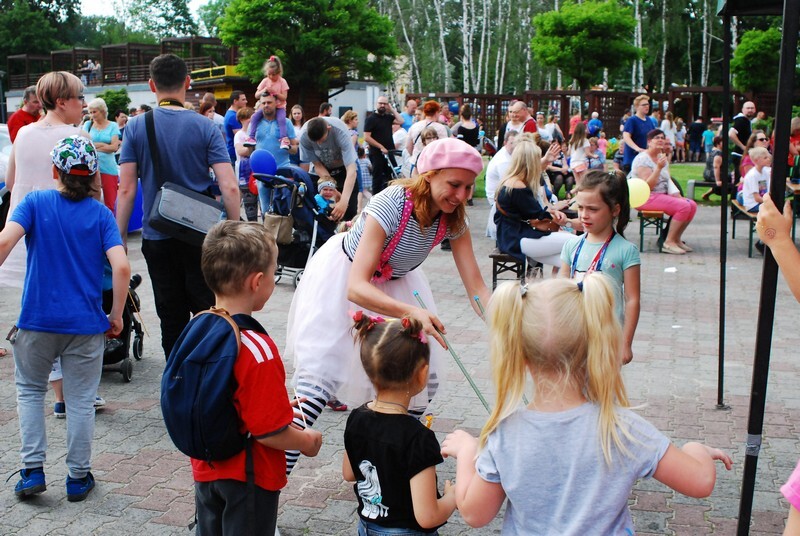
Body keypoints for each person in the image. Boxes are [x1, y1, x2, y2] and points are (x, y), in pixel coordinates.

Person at [440, 275, 733, 534]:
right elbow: (700, 482)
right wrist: (697, 450)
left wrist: (469, 452)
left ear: (520, 355)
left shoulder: (504, 436)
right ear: (595, 347)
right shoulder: (621, 429)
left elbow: (474, 514)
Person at [284, 138, 490, 475]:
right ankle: (267, 496)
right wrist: (412, 313)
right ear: (428, 175)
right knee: (314, 389)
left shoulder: (454, 219)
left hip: (398, 287)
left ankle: (383, 466)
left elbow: (478, 287)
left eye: (468, 187)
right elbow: (356, 286)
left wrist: (505, 323)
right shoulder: (392, 203)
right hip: (343, 283)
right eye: (454, 185)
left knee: (422, 383)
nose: (462, 195)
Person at [0, 135, 130, 502]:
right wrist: (115, 315)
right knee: (80, 400)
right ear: (92, 176)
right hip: (86, 325)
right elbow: (121, 267)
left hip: (36, 322)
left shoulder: (35, 203)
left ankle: (31, 471)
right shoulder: (101, 216)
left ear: (54, 170)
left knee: (29, 391)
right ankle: (77, 477)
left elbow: (4, 244)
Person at [192, 221, 322, 535]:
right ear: (258, 281)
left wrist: (274, 405)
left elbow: (224, 396)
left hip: (205, 469)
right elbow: (268, 433)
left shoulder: (198, 326)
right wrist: (307, 442)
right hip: (248, 477)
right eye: (275, 271)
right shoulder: (257, 347)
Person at [116, 53, 240, 359]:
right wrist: (233, 228)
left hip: (157, 234)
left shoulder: (135, 127)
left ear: (151, 85)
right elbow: (230, 186)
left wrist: (119, 237)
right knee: (206, 308)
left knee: (170, 316)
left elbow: (127, 188)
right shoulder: (206, 126)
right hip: (201, 237)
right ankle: (207, 375)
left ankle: (175, 380)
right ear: (187, 82)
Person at [343, 313, 456, 535]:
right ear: (423, 375)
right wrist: (453, 498)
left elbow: (349, 473)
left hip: (367, 527)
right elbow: (428, 516)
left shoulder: (357, 417)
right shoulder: (417, 437)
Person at [560, 170, 640, 364]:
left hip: (607, 338)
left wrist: (626, 343)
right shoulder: (572, 245)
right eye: (580, 208)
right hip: (574, 335)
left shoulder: (626, 250)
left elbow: (632, 300)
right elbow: (560, 291)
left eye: (593, 209)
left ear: (615, 210)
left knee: (603, 392)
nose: (584, 215)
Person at [494, 137, 576, 275]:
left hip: (512, 237)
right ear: (530, 161)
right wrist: (564, 220)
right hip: (518, 239)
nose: (539, 162)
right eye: (537, 159)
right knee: (575, 242)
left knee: (569, 260)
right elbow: (538, 214)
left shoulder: (511, 181)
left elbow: (535, 212)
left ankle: (559, 291)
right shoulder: (518, 186)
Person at [630, 129, 697, 255]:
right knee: (683, 207)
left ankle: (676, 239)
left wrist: (677, 195)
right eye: (657, 138)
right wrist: (658, 168)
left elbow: (668, 180)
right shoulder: (643, 159)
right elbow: (647, 186)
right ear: (649, 142)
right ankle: (668, 242)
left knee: (691, 205)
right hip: (644, 197)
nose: (660, 140)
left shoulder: (661, 158)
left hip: (660, 195)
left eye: (662, 137)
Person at [300, 117, 359, 221]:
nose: (319, 144)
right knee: (321, 210)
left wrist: (344, 201)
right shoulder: (304, 136)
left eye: (321, 140)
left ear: (329, 128)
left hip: (343, 168)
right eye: (315, 141)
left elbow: (351, 170)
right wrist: (333, 189)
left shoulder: (340, 132)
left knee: (349, 210)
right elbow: (317, 165)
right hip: (321, 171)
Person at [84, 97, 122, 212]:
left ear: (103, 111)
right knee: (90, 203)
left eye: (94, 111)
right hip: (91, 168)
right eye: (90, 112)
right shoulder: (87, 124)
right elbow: (85, 145)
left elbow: (114, 147)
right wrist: (104, 145)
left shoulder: (113, 126)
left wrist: (96, 145)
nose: (92, 115)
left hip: (108, 167)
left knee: (110, 203)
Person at [248, 56, 290, 151]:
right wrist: (264, 89)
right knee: (254, 117)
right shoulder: (265, 81)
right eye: (269, 74)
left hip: (279, 107)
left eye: (273, 74)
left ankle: (283, 138)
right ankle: (251, 137)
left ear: (279, 72)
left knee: (281, 120)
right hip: (264, 107)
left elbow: (284, 97)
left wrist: (275, 93)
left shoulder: (282, 82)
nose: (271, 77)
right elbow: (256, 95)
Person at [364, 96, 404, 194]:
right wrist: (380, 147)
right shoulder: (371, 119)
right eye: (380, 103)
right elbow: (367, 137)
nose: (382, 105)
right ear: (376, 104)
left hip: (389, 152)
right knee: (377, 178)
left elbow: (401, 121)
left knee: (392, 176)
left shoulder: (388, 117)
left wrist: (392, 109)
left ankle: (391, 195)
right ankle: (375, 199)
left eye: (385, 104)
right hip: (377, 153)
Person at [485, 131, 519, 239]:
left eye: (517, 143)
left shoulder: (509, 155)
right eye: (511, 143)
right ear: (505, 143)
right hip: (497, 201)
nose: (514, 146)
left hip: (503, 196)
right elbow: (511, 185)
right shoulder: (503, 161)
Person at [406, 101, 449, 175]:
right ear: (436, 112)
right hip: (433, 165)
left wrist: (414, 155)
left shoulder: (414, 126)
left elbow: (408, 146)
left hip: (416, 162)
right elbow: (444, 147)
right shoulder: (441, 128)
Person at [233, 107, 259, 222]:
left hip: (256, 171)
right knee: (249, 203)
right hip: (245, 174)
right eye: (248, 118)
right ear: (242, 120)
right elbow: (241, 151)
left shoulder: (256, 133)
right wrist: (253, 147)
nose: (251, 120)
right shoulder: (239, 135)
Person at [622, 95, 655, 174]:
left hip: (646, 159)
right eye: (644, 105)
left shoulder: (649, 120)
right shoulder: (632, 120)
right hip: (632, 159)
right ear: (637, 107)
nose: (647, 107)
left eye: (648, 104)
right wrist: (637, 148)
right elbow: (626, 136)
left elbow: (653, 136)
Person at [729, 101, 756, 184]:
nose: (750, 110)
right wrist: (743, 147)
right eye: (748, 108)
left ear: (755, 110)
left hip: (741, 155)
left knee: (741, 179)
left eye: (752, 108)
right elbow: (731, 133)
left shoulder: (747, 121)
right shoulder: (741, 120)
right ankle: (734, 197)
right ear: (743, 110)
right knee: (739, 180)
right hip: (739, 155)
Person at [740, 147, 771, 213]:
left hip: (762, 202)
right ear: (756, 160)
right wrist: (770, 203)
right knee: (773, 211)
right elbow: (757, 198)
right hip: (753, 205)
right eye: (765, 158)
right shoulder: (752, 175)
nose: (768, 159)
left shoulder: (765, 171)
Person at [224, 90, 248, 164]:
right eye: (243, 99)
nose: (246, 101)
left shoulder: (230, 114)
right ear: (235, 101)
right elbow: (241, 137)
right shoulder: (233, 116)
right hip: (235, 155)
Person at [701, 136, 724, 201]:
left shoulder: (712, 151)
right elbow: (716, 167)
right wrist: (717, 180)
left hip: (707, 174)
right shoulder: (718, 153)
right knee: (733, 178)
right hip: (713, 175)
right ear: (718, 143)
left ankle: (706, 194)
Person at [567, 122, 590, 186]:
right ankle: (579, 194)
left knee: (578, 182)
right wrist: (594, 155)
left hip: (573, 164)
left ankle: (576, 194)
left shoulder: (572, 140)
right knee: (584, 181)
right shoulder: (585, 141)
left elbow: (568, 153)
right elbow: (587, 153)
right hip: (581, 163)